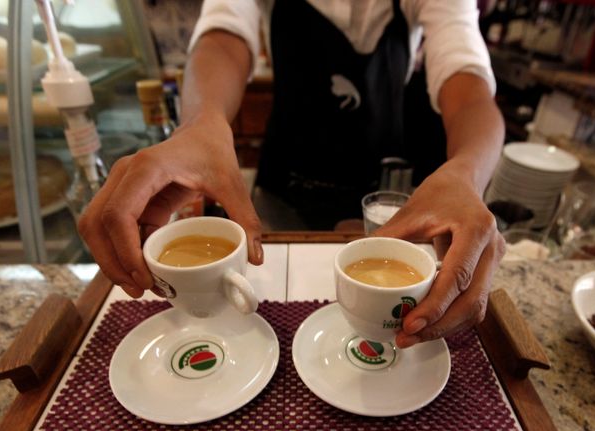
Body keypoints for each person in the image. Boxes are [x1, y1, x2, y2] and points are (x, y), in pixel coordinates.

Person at [78, 0, 506, 349]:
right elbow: (224, 37)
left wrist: (465, 173)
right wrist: (200, 123)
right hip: (282, 193)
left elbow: (466, 78)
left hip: (378, 204)